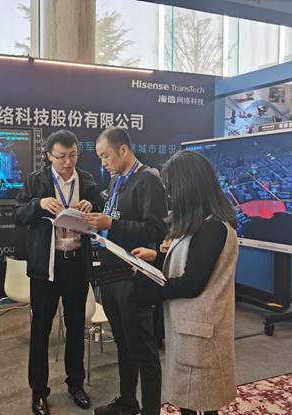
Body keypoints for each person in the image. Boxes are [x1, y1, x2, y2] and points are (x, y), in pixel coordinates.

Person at [131, 150, 239, 415]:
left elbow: (192, 283)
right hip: (191, 329)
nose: (169, 197)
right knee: (191, 399)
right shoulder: (201, 224)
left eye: (170, 189)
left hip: (201, 333)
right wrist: (156, 257)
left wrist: (149, 288)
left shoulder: (212, 228)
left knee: (200, 402)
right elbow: (190, 262)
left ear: (188, 188)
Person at [13, 129, 102, 415]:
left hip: (76, 263)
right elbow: (17, 215)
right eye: (62, 156)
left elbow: (101, 211)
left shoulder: (86, 180)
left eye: (73, 155)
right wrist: (38, 204)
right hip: (46, 268)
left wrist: (91, 206)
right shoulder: (36, 181)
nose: (68, 162)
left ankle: (76, 384)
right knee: (41, 330)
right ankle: (39, 391)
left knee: (76, 328)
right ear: (49, 155)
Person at [85, 127, 166, 415]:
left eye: (106, 156)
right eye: (100, 157)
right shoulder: (117, 180)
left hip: (134, 275)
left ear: (123, 150)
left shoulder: (148, 179)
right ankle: (128, 402)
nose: (103, 162)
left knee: (143, 349)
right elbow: (116, 219)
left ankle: (151, 409)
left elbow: (155, 229)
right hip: (111, 272)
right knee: (122, 342)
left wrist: (112, 225)